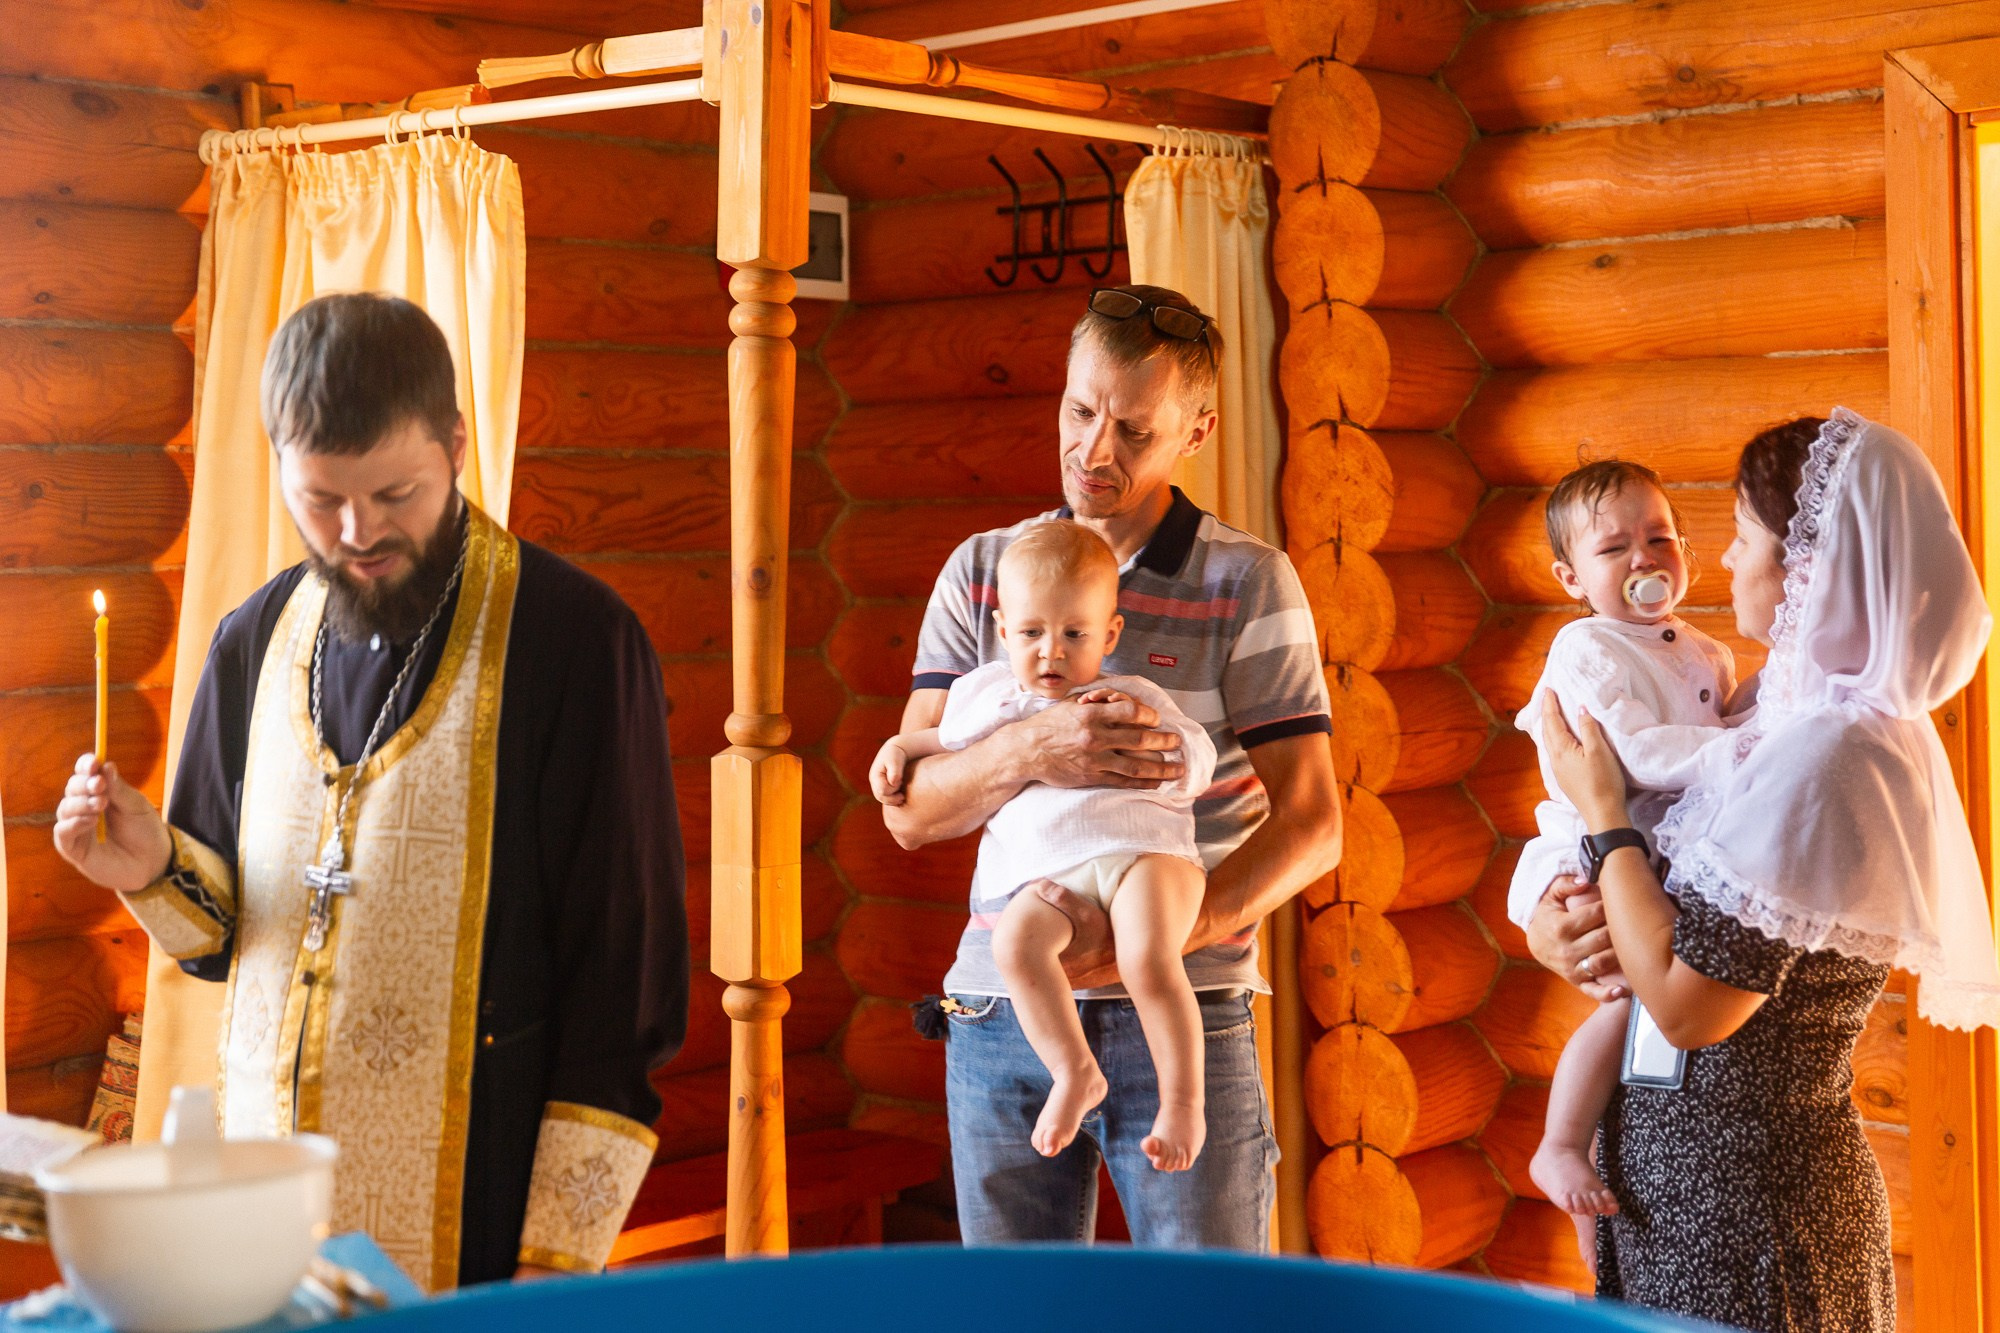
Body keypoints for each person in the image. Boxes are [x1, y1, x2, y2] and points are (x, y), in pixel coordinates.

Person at [52, 294, 689, 1291]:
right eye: (321, 499)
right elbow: (225, 937)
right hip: (265, 1227)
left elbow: (623, 986)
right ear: (277, 467)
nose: (358, 533)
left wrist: (551, 1267)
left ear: (456, 445)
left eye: (396, 493)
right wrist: (148, 868)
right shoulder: (251, 640)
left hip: (476, 1227)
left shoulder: (574, 643)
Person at [886, 284, 1342, 1249]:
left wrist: (1161, 935)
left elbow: (1313, 824)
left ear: (1198, 430)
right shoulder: (983, 571)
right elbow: (912, 813)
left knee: (1204, 1325)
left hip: (1184, 1010)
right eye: (1080, 411)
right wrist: (1031, 746)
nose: (1096, 451)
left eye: (1134, 429)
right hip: (1000, 1009)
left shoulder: (1246, 579)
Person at [1530, 409, 2000, 1328]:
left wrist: (1602, 814)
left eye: (1744, 536)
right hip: (1678, 1205)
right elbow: (1650, 917)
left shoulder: (1834, 753)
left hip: (1753, 1218)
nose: (1731, 562)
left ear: (1806, 567)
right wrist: (1560, 923)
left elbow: (1687, 1004)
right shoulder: (1781, 715)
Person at [872, 521, 1217, 1170]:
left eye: (1074, 634)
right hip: (1054, 884)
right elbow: (937, 742)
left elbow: (1198, 757)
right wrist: (893, 751)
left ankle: (1183, 1102)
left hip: (1149, 858)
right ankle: (1074, 1070)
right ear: (1004, 632)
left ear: (1109, 635)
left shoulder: (1133, 696)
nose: (1050, 652)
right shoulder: (993, 698)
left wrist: (1168, 752)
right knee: (1015, 944)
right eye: (1031, 633)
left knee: (1147, 955)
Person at [1509, 460, 1742, 1266]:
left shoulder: (1703, 648)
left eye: (1659, 538)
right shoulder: (1586, 646)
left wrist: (1752, 717)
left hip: (1652, 847)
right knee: (1622, 999)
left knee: (1639, 1002)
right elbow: (1635, 752)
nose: (1644, 559)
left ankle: (1591, 1192)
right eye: (1615, 549)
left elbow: (1725, 716)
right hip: (1589, 840)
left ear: (1690, 553)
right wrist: (1742, 748)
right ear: (1571, 577)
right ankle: (1561, 1141)